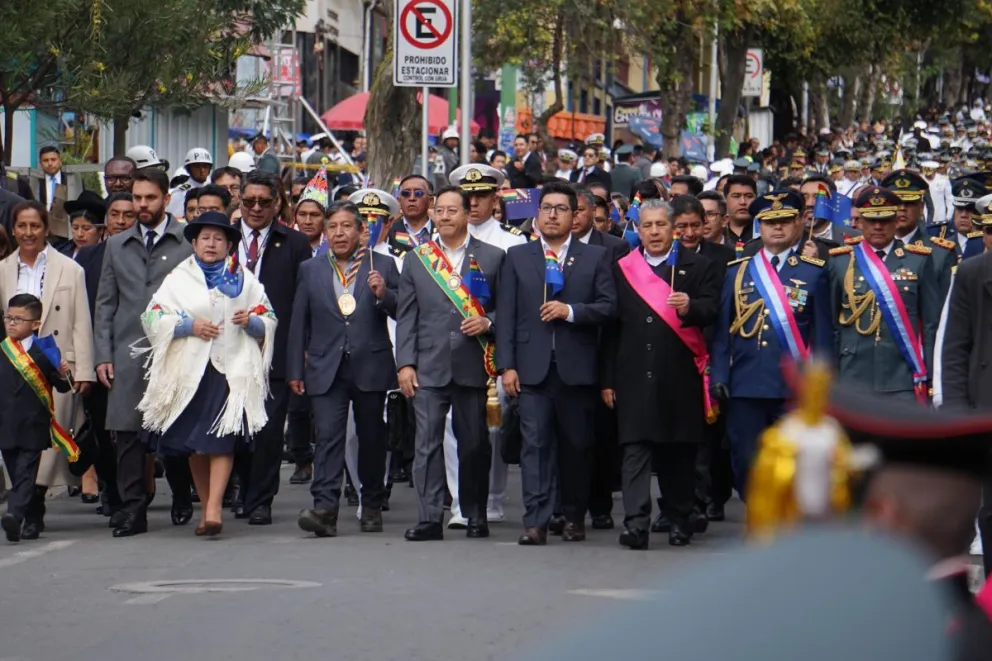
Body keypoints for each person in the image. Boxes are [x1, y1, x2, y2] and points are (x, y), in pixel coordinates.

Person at [136, 212, 276, 537]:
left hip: (230, 369)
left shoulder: (244, 279)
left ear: (229, 245)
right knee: (194, 443)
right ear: (195, 243)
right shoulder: (178, 277)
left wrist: (250, 322)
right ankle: (206, 504)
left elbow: (267, 314)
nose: (211, 244)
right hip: (190, 371)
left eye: (218, 239)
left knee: (222, 441)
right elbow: (152, 315)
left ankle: (213, 508)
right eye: (205, 238)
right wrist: (189, 326)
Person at [497, 180, 617, 545]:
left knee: (576, 446)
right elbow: (507, 315)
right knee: (534, 446)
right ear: (537, 213)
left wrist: (571, 311)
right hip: (531, 368)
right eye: (546, 207)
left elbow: (609, 308)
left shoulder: (595, 257)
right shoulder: (518, 256)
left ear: (575, 215)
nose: (552, 214)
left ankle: (573, 515)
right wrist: (507, 366)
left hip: (577, 368)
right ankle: (535, 520)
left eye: (560, 209)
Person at [602, 197, 720, 548]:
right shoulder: (623, 267)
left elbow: (714, 309)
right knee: (635, 450)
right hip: (634, 374)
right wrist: (607, 379)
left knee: (678, 453)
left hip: (679, 374)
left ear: (674, 228)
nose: (654, 232)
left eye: (661, 225)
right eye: (647, 225)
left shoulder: (698, 266)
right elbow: (611, 329)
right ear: (637, 230)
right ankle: (636, 523)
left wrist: (691, 307)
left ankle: (680, 517)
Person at [396, 186, 504, 541]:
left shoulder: (492, 256)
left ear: (466, 213)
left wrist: (489, 322)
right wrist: (405, 364)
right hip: (428, 364)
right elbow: (407, 316)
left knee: (474, 444)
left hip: (473, 363)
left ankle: (475, 514)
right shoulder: (417, 258)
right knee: (425, 445)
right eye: (438, 210)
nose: (444, 217)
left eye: (451, 210)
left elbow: (508, 309)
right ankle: (429, 518)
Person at [710, 190, 834, 498]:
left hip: (794, 384)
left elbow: (822, 334)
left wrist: (822, 383)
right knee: (746, 457)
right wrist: (720, 376)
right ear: (759, 227)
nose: (777, 228)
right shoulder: (737, 271)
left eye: (784, 221)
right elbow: (723, 331)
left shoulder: (814, 271)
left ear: (797, 224)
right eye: (769, 222)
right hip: (746, 382)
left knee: (795, 460)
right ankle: (758, 511)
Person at [289, 197, 400, 537]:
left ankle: (371, 504)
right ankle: (324, 509)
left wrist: (383, 294)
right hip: (325, 365)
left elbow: (402, 310)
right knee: (327, 437)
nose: (339, 233)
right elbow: (299, 321)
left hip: (371, 363)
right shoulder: (312, 268)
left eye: (346, 226)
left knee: (371, 438)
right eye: (333, 227)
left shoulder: (382, 264)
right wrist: (295, 368)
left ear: (361, 231)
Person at [94, 169, 194, 537]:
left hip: (177, 347)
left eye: (150, 198)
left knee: (176, 429)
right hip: (128, 351)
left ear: (166, 199)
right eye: (137, 198)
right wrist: (103, 354)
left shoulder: (186, 241)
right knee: (127, 432)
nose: (142, 205)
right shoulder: (116, 245)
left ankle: (182, 494)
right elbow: (105, 304)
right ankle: (133, 509)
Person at [0, 201, 95, 535]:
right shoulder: (2, 269)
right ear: (13, 229)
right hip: (13, 366)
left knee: (48, 439)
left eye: (35, 226)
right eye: (22, 226)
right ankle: (28, 505)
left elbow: (82, 321)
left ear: (46, 229)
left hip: (55, 364)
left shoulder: (70, 269)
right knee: (15, 438)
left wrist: (84, 369)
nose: (29, 233)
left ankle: (32, 504)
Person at [231, 170, 311, 525]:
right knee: (236, 426)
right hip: (228, 348)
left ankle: (261, 498)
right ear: (240, 201)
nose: (257, 208)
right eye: (249, 201)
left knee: (266, 428)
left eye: (265, 202)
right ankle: (240, 489)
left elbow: (302, 301)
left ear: (277, 203)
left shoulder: (294, 243)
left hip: (274, 350)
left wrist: (300, 351)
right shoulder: (224, 237)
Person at [827, 187, 940, 401]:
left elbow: (930, 324)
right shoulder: (840, 262)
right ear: (860, 222)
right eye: (871, 220)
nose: (878, 226)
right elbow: (831, 323)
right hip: (853, 371)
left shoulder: (919, 260)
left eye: (886, 220)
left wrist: (931, 376)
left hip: (902, 373)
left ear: (897, 220)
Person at [0, 294, 71, 543]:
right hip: (5, 423)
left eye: (19, 319)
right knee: (17, 474)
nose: (11, 323)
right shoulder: (2, 347)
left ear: (36, 324)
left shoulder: (45, 350)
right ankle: (31, 520)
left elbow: (62, 387)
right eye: (8, 317)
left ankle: (14, 516)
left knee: (26, 471)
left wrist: (63, 374)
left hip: (33, 422)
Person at [881, 169, 956, 300]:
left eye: (909, 203)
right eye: (897, 204)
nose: (902, 208)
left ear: (921, 208)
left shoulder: (940, 253)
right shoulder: (874, 249)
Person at [166, 148, 213, 219]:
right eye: (197, 167)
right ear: (189, 169)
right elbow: (177, 219)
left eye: (205, 166)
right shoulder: (180, 193)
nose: (202, 170)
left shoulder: (213, 188)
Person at [62, 190, 106, 258]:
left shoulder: (108, 256)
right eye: (75, 228)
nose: (79, 234)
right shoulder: (60, 253)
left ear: (101, 230)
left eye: (86, 229)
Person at [37, 146, 69, 241]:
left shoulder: (70, 180)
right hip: (42, 228)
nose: (50, 163)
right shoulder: (36, 181)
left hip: (65, 230)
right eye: (46, 160)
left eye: (53, 159)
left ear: (60, 161)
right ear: (41, 163)